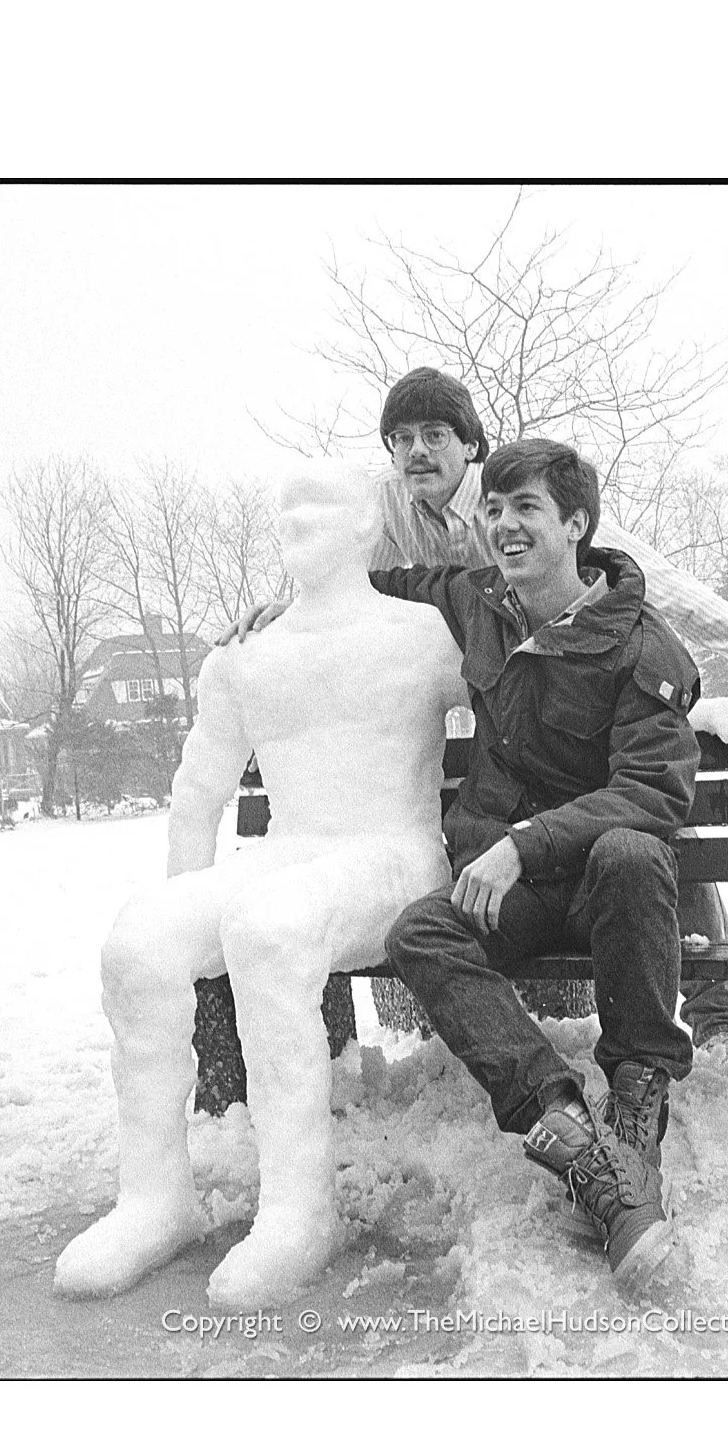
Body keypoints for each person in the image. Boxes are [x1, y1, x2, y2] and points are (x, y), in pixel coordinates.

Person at [235, 366, 728, 1074]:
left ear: (471, 443)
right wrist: (298, 607)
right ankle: (532, 1074)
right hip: (503, 700)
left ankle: (713, 1012)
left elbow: (668, 591)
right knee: (490, 855)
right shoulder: (396, 511)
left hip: (593, 673)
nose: (417, 453)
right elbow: (358, 582)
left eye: (435, 435)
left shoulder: (531, 501)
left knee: (643, 823)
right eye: (400, 439)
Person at [55, 461, 466, 1311]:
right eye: (285, 511)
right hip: (293, 849)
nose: (295, 522)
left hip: (395, 852)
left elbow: (540, 703)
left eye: (319, 508)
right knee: (138, 942)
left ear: (367, 526)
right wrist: (183, 921)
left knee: (272, 929)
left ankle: (297, 1209)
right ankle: (154, 1196)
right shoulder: (249, 655)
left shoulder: (426, 633)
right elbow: (198, 785)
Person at [372, 438, 699, 1287]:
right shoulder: (476, 600)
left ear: (577, 524)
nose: (504, 526)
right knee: (420, 932)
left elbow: (651, 796)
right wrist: (275, 611)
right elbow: (359, 591)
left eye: (527, 510)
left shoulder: (644, 649)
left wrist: (521, 843)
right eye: (494, 509)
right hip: (508, 898)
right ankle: (570, 1131)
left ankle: (634, 1109)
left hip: (597, 889)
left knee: (634, 853)